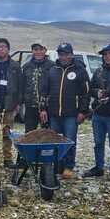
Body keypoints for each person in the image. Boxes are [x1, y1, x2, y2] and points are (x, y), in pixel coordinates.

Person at [40, 43, 90, 179]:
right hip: (53, 113)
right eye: (61, 54)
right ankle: (57, 166)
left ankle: (68, 167)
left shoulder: (79, 70)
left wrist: (82, 112)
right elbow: (44, 91)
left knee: (69, 141)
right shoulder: (52, 69)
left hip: (71, 114)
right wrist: (43, 109)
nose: (63, 57)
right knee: (54, 141)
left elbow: (86, 94)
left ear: (71, 55)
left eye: (66, 54)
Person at [83, 44, 110, 180]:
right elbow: (90, 88)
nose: (107, 56)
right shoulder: (99, 71)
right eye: (105, 54)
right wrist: (98, 93)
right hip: (98, 113)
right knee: (98, 143)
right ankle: (99, 167)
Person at [0, 38, 22, 168]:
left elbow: (20, 86)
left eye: (3, 46)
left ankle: (7, 159)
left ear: (8, 49)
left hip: (10, 103)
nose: (0, 49)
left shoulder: (15, 66)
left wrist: (18, 103)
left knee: (7, 133)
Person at [20, 42, 54, 132]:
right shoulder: (26, 67)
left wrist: (45, 107)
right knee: (29, 135)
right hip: (30, 107)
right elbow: (22, 86)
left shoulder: (52, 66)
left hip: (47, 108)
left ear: (45, 50)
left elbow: (54, 87)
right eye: (35, 50)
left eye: (41, 49)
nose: (38, 52)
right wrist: (21, 102)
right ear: (32, 51)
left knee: (46, 135)